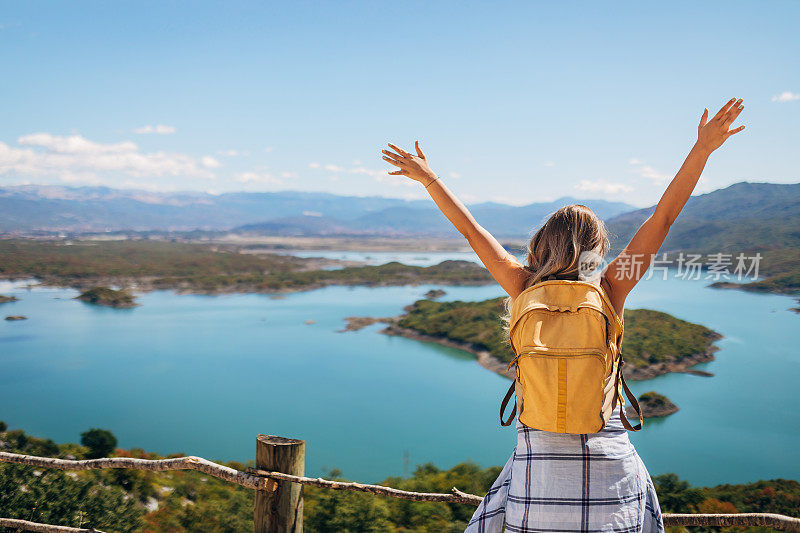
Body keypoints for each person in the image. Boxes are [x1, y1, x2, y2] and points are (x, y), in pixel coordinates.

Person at [381, 97, 745, 532]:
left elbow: (471, 231)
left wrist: (430, 179)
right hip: (610, 472)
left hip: (539, 468)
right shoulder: (612, 287)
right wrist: (702, 150)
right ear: (599, 249)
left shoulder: (520, 285)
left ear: (540, 243)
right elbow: (662, 219)